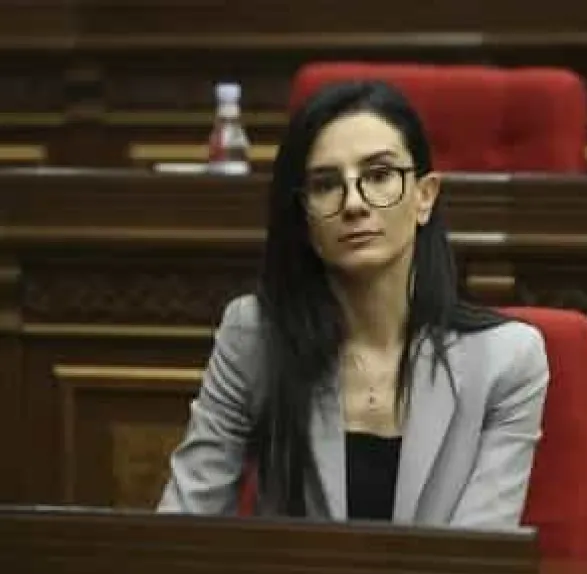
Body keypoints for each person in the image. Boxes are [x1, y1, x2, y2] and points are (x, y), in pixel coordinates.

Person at [157, 79, 549, 531]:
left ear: (424, 196)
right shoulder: (255, 336)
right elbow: (183, 524)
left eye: (379, 175)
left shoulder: (505, 361)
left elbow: (476, 555)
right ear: (303, 215)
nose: (354, 204)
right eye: (326, 184)